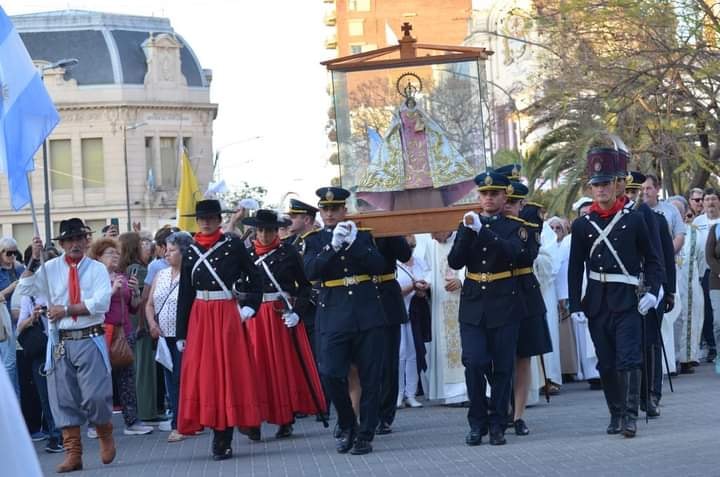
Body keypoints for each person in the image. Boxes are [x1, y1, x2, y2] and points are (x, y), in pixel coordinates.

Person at [568, 149, 661, 438]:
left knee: (630, 359)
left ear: (616, 185)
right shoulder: (582, 225)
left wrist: (654, 292)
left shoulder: (633, 219)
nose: (601, 190)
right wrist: (575, 305)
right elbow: (575, 268)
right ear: (591, 188)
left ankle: (631, 416)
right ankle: (616, 412)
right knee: (606, 362)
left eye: (606, 184)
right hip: (598, 301)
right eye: (596, 185)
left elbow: (654, 260)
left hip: (628, 300)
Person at [17, 218, 115, 472]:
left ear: (86, 240)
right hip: (61, 340)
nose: (74, 244)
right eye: (69, 240)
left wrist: (66, 309)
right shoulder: (49, 267)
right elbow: (25, 288)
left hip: (89, 336)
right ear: (62, 244)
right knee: (62, 399)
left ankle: (105, 434)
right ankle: (74, 453)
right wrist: (33, 258)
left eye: (78, 239)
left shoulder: (96, 269)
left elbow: (101, 302)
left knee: (95, 395)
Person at [175, 199, 265, 461]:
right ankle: (214, 425)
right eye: (202, 218)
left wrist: (251, 306)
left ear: (218, 219)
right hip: (200, 316)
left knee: (229, 373)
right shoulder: (190, 250)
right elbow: (185, 293)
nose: (206, 222)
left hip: (225, 312)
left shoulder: (233, 244)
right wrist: (181, 332)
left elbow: (254, 275)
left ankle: (224, 435)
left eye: (211, 217)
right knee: (206, 376)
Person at [303, 187, 386, 455]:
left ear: (344, 210)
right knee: (330, 373)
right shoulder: (314, 240)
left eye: (334, 209)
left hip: (365, 311)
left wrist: (352, 244)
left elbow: (378, 266)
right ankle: (348, 423)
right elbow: (311, 271)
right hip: (334, 313)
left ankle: (366, 433)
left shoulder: (363, 235)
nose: (329, 214)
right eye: (325, 210)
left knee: (371, 377)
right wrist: (332, 247)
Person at [448, 171, 527, 446]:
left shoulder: (515, 225)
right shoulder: (468, 225)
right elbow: (456, 261)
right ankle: (477, 421)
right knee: (474, 362)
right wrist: (467, 233)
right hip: (473, 304)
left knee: (503, 367)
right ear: (478, 197)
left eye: (494, 194)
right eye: (484, 194)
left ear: (505, 196)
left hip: (504, 302)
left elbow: (516, 254)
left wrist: (485, 232)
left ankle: (497, 424)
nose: (489, 198)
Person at [242, 209, 325, 440]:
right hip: (256, 316)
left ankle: (285, 418)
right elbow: (240, 287)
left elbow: (306, 287)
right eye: (261, 230)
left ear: (276, 230)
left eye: (269, 230)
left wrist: (297, 312)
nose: (265, 235)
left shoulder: (288, 252)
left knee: (281, 367)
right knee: (255, 368)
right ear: (254, 231)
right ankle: (253, 420)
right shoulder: (247, 255)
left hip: (281, 315)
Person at [88, 238, 153, 437]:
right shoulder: (92, 279)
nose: (115, 257)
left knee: (126, 379)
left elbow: (133, 307)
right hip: (102, 333)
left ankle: (132, 421)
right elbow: (92, 305)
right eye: (110, 254)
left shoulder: (122, 277)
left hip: (124, 333)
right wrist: (112, 290)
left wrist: (134, 292)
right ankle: (96, 424)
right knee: (100, 380)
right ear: (98, 257)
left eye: (116, 254)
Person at [625, 171, 676, 418]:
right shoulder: (619, 219)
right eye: (634, 191)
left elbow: (665, 256)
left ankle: (652, 394)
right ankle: (634, 396)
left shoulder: (656, 219)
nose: (639, 195)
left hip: (652, 288)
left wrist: (669, 291)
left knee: (650, 342)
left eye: (642, 190)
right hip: (627, 288)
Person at [145, 230, 194, 442]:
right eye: (166, 249)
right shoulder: (160, 274)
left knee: (182, 378)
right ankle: (179, 421)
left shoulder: (191, 275)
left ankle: (184, 423)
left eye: (172, 250)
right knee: (170, 381)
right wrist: (152, 324)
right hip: (164, 336)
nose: (167, 254)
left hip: (185, 335)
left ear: (184, 252)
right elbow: (149, 304)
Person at [16, 247, 64, 453]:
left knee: (63, 393)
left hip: (61, 345)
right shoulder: (30, 295)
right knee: (45, 394)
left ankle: (66, 431)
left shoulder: (61, 290)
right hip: (40, 350)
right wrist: (34, 317)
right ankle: (55, 435)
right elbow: (19, 327)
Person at [373, 235, 412, 435]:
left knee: (388, 361)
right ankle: (362, 413)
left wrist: (391, 231)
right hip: (360, 296)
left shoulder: (388, 230)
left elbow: (405, 255)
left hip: (387, 294)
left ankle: (384, 415)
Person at [118, 232, 158, 423]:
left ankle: (144, 410)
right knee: (144, 366)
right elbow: (143, 299)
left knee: (137, 366)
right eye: (142, 243)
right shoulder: (138, 270)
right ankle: (147, 410)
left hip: (130, 320)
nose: (146, 246)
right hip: (140, 320)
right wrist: (145, 324)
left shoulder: (123, 269)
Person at [669, 196, 704, 372]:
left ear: (684, 213)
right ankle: (670, 360)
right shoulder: (661, 229)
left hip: (689, 284)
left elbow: (702, 259)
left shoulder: (695, 233)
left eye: (679, 210)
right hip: (670, 284)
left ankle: (686, 358)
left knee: (688, 319)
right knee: (671, 321)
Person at [396, 235, 430, 408]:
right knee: (400, 353)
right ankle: (398, 393)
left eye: (413, 245)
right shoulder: (394, 265)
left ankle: (410, 393)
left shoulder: (419, 262)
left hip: (415, 312)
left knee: (413, 353)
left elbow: (429, 282)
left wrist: (424, 289)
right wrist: (413, 287)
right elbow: (393, 292)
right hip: (397, 313)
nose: (410, 249)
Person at [693, 188, 720, 362]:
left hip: (713, 272)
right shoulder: (698, 221)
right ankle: (712, 346)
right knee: (709, 313)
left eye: (713, 199)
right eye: (707, 199)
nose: (710, 202)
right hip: (705, 273)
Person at [0, 237, 24, 396]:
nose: (12, 256)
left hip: (21, 321)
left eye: (15, 253)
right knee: (9, 366)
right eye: (9, 253)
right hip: (4, 324)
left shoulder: (19, 269)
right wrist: (11, 288)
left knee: (17, 367)